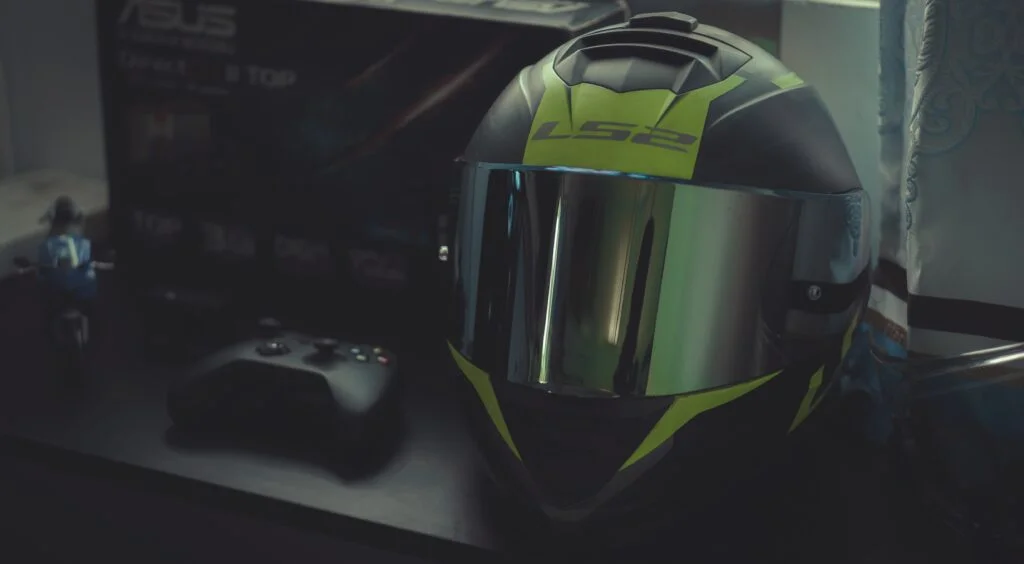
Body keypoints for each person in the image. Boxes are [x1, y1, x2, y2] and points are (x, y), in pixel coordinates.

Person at [36, 196, 97, 342]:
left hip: (64, 288)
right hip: (75, 289)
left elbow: (41, 272)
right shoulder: (79, 241)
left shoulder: (51, 243)